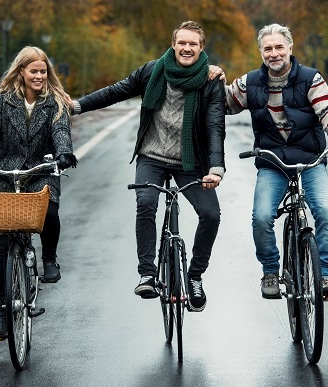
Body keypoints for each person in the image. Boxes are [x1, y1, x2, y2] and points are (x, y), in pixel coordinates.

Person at [68, 20, 225, 312]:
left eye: (193, 43)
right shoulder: (152, 71)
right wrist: (78, 106)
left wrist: (216, 167)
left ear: (201, 47)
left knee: (211, 214)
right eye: (182, 42)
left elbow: (215, 125)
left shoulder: (211, 81)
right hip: (151, 157)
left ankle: (195, 277)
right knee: (146, 203)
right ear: (174, 44)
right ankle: (147, 274)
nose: (187, 48)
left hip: (191, 162)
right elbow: (117, 91)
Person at [224, 24, 328, 299]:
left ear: (290, 49)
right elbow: (224, 102)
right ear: (261, 51)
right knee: (261, 217)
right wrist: (211, 77)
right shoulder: (250, 82)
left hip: (309, 160)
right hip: (272, 163)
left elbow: (327, 112)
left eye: (279, 47)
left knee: (324, 211)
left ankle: (326, 274)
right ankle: (270, 271)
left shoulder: (311, 79)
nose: (274, 53)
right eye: (268, 48)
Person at [0, 46, 77, 339]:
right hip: (4, 173)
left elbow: (61, 132)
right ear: (21, 72)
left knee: (49, 208)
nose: (39, 76)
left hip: (40, 171)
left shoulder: (56, 102)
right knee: (2, 246)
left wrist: (64, 154)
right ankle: (0, 314)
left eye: (43, 71)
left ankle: (49, 258)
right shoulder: (1, 101)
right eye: (33, 71)